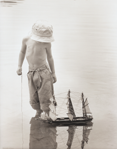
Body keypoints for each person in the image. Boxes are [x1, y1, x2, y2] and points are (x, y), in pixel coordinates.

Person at [16, 20, 57, 119]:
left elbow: (50, 57)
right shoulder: (26, 40)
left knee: (46, 96)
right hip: (31, 73)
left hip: (44, 73)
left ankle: (48, 114)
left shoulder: (47, 44)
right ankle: (38, 114)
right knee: (34, 96)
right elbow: (22, 52)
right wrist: (19, 66)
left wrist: (54, 73)